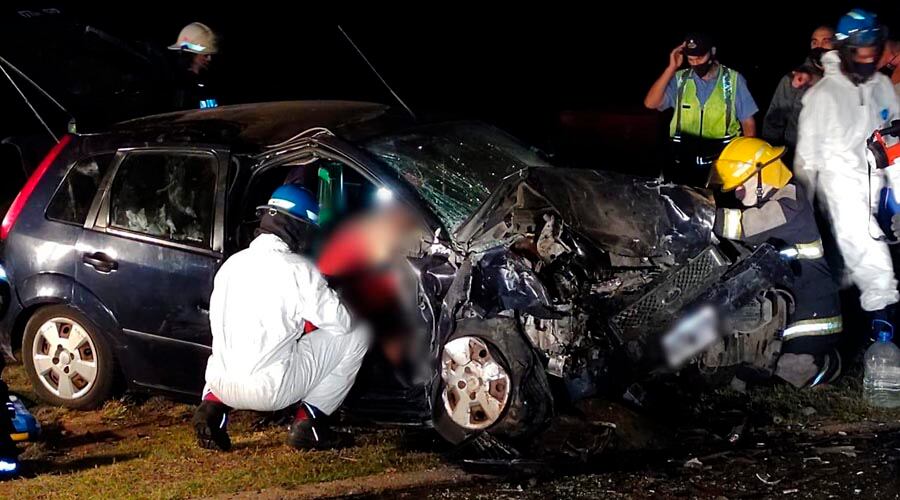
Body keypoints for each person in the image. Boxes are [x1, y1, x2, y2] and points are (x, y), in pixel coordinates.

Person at [193, 184, 369, 451]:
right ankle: (309, 424)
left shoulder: (230, 265)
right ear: (299, 227)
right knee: (358, 334)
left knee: (235, 338)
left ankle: (211, 408)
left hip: (220, 383)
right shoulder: (298, 270)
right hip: (272, 390)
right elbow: (341, 323)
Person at [795, 9, 900, 338]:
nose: (868, 59)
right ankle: (878, 337)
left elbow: (893, 141)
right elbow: (807, 161)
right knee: (866, 266)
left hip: (882, 192)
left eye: (873, 52)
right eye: (861, 52)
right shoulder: (822, 96)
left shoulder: (882, 86)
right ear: (844, 50)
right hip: (842, 197)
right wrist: (803, 214)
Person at [714, 137, 842, 387]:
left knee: (788, 373)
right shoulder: (773, 201)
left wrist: (700, 216)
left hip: (812, 312)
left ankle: (831, 364)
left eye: (740, 187)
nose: (738, 195)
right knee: (745, 372)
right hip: (789, 304)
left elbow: (745, 226)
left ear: (762, 174)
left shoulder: (790, 202)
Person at [644, 33, 759, 186]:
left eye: (700, 58)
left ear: (712, 52)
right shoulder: (680, 80)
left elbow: (748, 125)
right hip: (682, 167)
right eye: (691, 59)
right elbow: (650, 103)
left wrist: (745, 163)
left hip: (720, 168)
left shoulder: (733, 80)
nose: (696, 63)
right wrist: (671, 68)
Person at [761, 26, 834, 160]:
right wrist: (770, 157)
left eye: (826, 41)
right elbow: (774, 122)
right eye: (814, 42)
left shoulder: (849, 82)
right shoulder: (793, 80)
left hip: (834, 158)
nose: (819, 46)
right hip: (797, 157)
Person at [167, 22, 219, 110]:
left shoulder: (207, 82)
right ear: (191, 54)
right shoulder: (181, 87)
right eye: (205, 55)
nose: (209, 59)